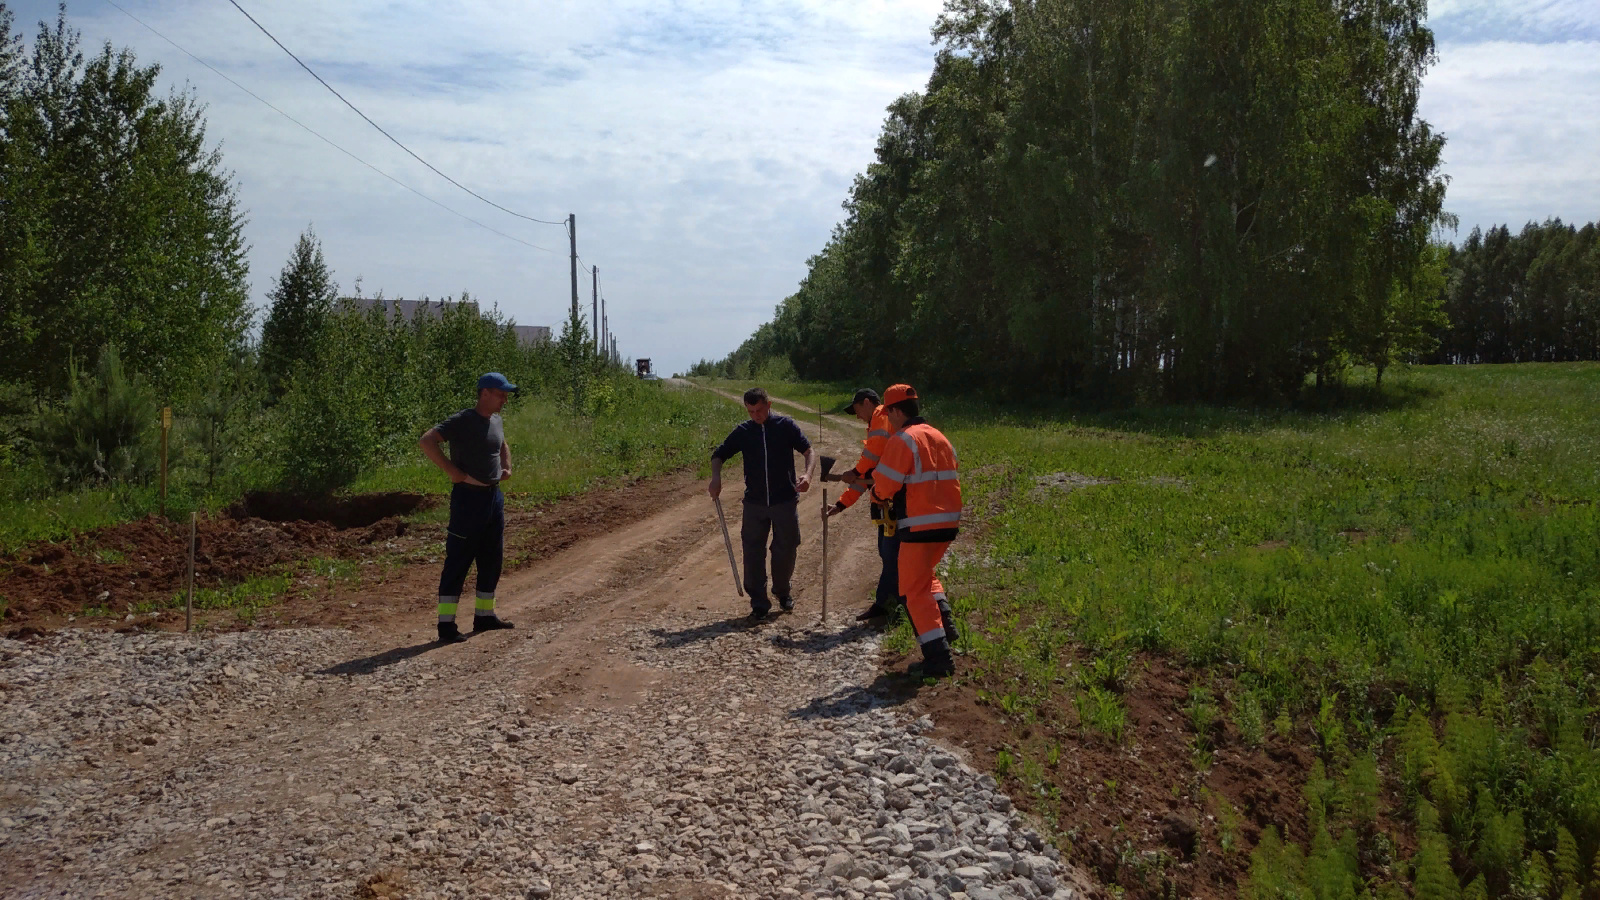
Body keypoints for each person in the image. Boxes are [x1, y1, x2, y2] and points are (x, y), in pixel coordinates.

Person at [825, 388, 953, 625]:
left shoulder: (883, 422)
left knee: (894, 557)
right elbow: (871, 474)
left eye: (856, 410)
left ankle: (895, 608)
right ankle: (894, 605)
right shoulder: (890, 429)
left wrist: (855, 474)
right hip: (903, 507)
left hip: (900, 507)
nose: (856, 416)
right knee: (892, 556)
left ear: (866, 403)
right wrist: (843, 503)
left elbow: (871, 469)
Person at [418, 373, 519, 643]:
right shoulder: (463, 420)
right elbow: (427, 441)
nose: (505, 399)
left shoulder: (496, 420)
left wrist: (506, 466)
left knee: (491, 560)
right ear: (484, 393)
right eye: (501, 394)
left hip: (493, 499)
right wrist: (453, 472)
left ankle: (484, 617)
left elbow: (502, 444)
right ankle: (446, 627)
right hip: (467, 499)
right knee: (459, 562)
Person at [869, 384, 961, 677]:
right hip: (947, 524)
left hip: (918, 526)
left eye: (888, 414)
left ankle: (938, 659)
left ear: (896, 411)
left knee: (912, 590)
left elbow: (884, 487)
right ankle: (947, 630)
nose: (888, 421)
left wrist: (875, 495)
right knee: (925, 577)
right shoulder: (939, 437)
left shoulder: (902, 440)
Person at [709, 387, 815, 620]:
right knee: (752, 551)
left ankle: (782, 591)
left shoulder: (785, 426)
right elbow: (719, 454)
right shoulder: (744, 431)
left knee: (786, 548)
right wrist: (716, 477)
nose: (756, 415)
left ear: (769, 405)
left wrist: (808, 475)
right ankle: (758, 602)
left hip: (785, 500)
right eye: (751, 411)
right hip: (754, 503)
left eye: (759, 410)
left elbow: (808, 451)